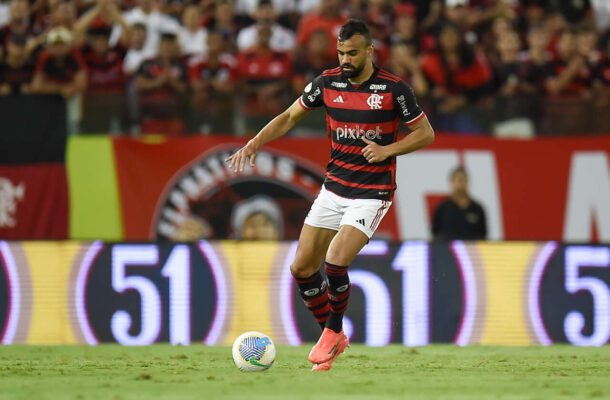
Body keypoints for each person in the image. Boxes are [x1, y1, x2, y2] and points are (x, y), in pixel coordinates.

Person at [226, 19, 434, 371]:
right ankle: (332, 335)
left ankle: (333, 331)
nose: (345, 59)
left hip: (372, 190)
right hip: (333, 187)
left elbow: (425, 134)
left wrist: (388, 150)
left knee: (336, 261)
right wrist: (256, 141)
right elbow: (290, 116)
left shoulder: (394, 90)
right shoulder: (327, 82)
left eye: (352, 53)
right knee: (302, 267)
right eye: (341, 53)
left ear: (370, 51)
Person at [432, 166, 487, 241]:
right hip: (447, 251)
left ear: (467, 182)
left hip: (472, 251)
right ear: (452, 182)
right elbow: (435, 236)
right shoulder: (442, 209)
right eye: (458, 180)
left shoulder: (477, 209)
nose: (461, 184)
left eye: (464, 180)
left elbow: (483, 236)